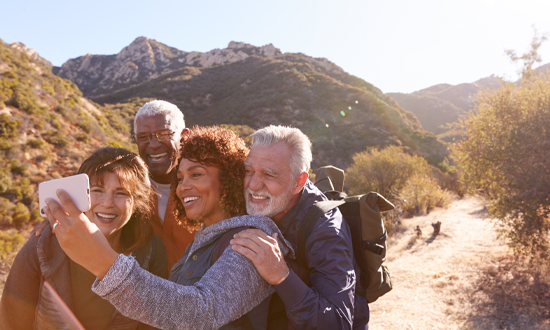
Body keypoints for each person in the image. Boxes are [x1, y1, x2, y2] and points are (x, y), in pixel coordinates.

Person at [42, 126, 293, 330]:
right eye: (180, 178)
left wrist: (104, 263)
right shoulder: (204, 241)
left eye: (196, 175)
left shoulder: (254, 237)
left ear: (228, 178)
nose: (182, 187)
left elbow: (202, 313)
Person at [0, 147, 168, 330]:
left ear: (136, 202)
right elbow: (10, 323)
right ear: (80, 196)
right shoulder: (42, 246)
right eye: (97, 190)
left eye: (121, 193)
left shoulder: (150, 251)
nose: (107, 203)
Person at [230, 125, 369, 329]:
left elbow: (339, 322)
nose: (253, 185)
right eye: (248, 171)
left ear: (298, 182)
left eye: (269, 175)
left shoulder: (326, 230)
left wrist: (281, 276)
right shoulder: (267, 202)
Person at [32, 100, 195, 271]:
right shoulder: (127, 187)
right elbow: (92, 213)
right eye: (143, 137)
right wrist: (57, 222)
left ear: (184, 136)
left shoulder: (206, 188)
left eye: (164, 134)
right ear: (135, 140)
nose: (154, 144)